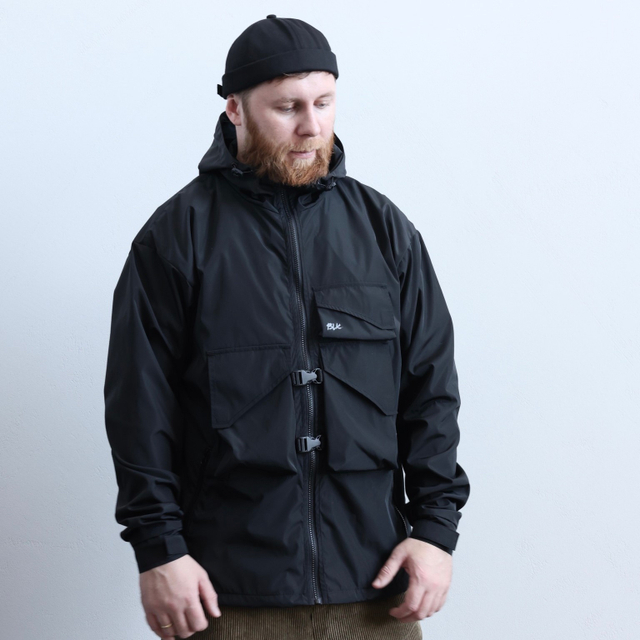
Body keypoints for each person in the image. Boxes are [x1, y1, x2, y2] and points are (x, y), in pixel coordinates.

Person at [103, 14, 471, 640]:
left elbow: (430, 392)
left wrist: (436, 532)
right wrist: (159, 550)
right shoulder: (177, 236)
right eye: (287, 107)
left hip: (375, 586)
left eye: (324, 103)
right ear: (235, 109)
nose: (311, 126)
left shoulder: (384, 231)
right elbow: (141, 408)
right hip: (226, 593)